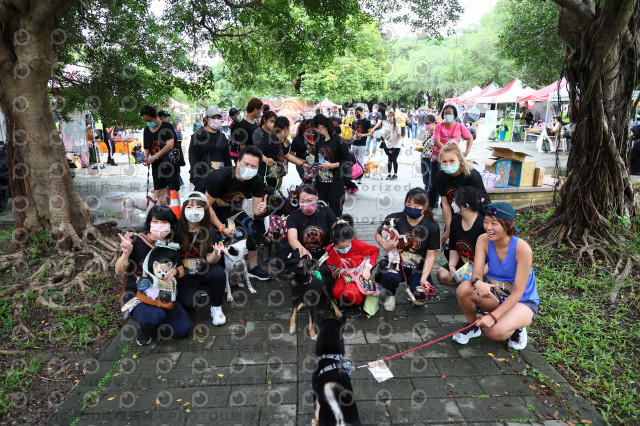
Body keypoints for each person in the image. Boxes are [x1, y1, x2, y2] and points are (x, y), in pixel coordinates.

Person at [452, 202, 539, 351]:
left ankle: (518, 326)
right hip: (498, 295)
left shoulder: (522, 249)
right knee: (463, 289)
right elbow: (477, 272)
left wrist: (493, 317)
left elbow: (518, 292)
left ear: (510, 225)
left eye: (494, 223)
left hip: (523, 301)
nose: (488, 227)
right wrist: (478, 282)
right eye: (486, 222)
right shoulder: (483, 239)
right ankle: (472, 326)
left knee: (494, 332)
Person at [115, 205, 191, 346]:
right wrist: (126, 253)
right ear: (149, 223)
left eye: (164, 222)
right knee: (155, 317)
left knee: (183, 330)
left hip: (163, 293)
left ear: (171, 225)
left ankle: (158, 318)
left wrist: (175, 271)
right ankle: (144, 329)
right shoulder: (136, 241)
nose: (159, 225)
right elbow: (119, 271)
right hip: (137, 294)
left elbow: (181, 270)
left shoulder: (171, 246)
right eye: (155, 222)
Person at [204, 145, 270, 280]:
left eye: (253, 166)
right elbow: (206, 206)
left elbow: (256, 211)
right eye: (246, 164)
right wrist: (221, 228)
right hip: (208, 208)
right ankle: (216, 270)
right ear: (238, 162)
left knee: (252, 229)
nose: (249, 168)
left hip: (231, 207)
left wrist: (262, 210)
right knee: (215, 235)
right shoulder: (219, 178)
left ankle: (253, 267)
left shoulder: (257, 181)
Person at [375, 188, 439, 310]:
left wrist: (424, 278)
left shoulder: (432, 226)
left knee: (421, 295)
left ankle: (414, 287)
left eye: (416, 206)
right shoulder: (394, 219)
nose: (411, 208)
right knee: (389, 277)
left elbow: (431, 255)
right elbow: (378, 234)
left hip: (417, 267)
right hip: (395, 262)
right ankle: (391, 293)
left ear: (425, 207)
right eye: (408, 204)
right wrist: (384, 245)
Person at [176, 192, 228, 325]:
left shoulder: (209, 230)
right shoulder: (176, 229)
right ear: (183, 209)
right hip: (184, 273)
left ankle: (216, 307)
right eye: (189, 207)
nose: (194, 211)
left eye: (199, 207)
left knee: (218, 273)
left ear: (205, 210)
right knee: (189, 305)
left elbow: (211, 260)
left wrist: (216, 253)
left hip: (203, 269)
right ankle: (198, 290)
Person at [436, 142, 491, 246]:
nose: (448, 164)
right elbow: (445, 203)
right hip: (455, 214)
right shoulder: (440, 176)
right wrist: (449, 229)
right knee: (449, 245)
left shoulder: (472, 175)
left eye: (452, 160)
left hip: (476, 214)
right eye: (444, 161)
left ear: (460, 159)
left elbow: (478, 204)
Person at [325, 215, 379, 318]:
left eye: (348, 244)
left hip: (358, 276)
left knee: (350, 291)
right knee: (336, 292)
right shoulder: (329, 250)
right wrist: (333, 272)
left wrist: (368, 268)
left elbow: (374, 251)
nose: (345, 248)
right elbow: (330, 266)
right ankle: (344, 302)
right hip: (343, 276)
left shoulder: (357, 244)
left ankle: (357, 305)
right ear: (333, 242)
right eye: (341, 247)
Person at [436, 186, 487, 286]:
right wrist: (452, 265)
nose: (453, 203)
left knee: (469, 285)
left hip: (482, 268)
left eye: (456, 201)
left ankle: (469, 287)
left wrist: (477, 275)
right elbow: (453, 246)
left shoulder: (483, 225)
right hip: (465, 265)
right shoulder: (455, 220)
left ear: (465, 205)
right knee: (442, 275)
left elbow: (491, 259)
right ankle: (466, 286)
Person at [430, 104, 474, 209]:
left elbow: (470, 137)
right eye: (445, 113)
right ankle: (431, 204)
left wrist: (466, 152)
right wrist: (449, 152)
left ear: (454, 115)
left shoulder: (460, 127)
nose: (447, 115)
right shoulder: (438, 126)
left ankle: (446, 205)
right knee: (434, 184)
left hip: (453, 161)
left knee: (450, 184)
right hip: (438, 159)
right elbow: (437, 142)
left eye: (450, 113)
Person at [312, 114, 351, 216]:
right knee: (320, 212)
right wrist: (312, 168)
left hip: (336, 183)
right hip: (321, 182)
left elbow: (347, 161)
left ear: (320, 127)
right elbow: (317, 160)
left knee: (335, 213)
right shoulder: (319, 142)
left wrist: (331, 165)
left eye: (315, 129)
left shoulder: (339, 140)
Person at [284, 184, 337, 259]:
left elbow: (336, 229)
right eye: (303, 201)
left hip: (326, 254)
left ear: (316, 197)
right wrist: (303, 251)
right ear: (298, 201)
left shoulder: (326, 211)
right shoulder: (293, 217)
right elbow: (292, 239)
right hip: (304, 254)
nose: (306, 204)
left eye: (309, 200)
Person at [141, 105, 180, 206]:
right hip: (156, 166)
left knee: (173, 192)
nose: (148, 122)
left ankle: (176, 213)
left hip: (170, 164)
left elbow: (170, 145)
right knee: (159, 192)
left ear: (156, 116)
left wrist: (155, 156)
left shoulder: (167, 126)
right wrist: (146, 158)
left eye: (149, 120)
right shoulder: (146, 130)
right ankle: (162, 213)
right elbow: (147, 149)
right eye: (146, 121)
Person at [188, 106, 231, 193]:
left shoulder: (222, 137)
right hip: (203, 178)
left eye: (218, 118)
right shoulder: (198, 136)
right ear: (207, 119)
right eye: (213, 117)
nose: (216, 120)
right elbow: (193, 158)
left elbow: (227, 158)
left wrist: (229, 176)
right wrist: (196, 180)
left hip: (220, 177)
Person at [256, 116, 306, 189]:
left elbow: (287, 155)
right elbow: (256, 150)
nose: (289, 131)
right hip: (265, 176)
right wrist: (265, 159)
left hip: (274, 174)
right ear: (285, 128)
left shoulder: (281, 141)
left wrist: (302, 164)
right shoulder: (269, 138)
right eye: (289, 128)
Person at [351, 106, 372, 182]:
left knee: (361, 160)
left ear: (362, 112)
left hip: (362, 144)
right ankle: (354, 175)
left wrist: (362, 135)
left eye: (358, 113)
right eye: (355, 113)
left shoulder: (367, 121)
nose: (356, 114)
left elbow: (370, 133)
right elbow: (353, 131)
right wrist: (351, 136)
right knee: (353, 160)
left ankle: (360, 177)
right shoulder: (354, 121)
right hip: (353, 143)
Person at [383, 109, 402, 180]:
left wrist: (392, 143)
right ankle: (389, 174)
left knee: (394, 159)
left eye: (390, 116)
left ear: (393, 116)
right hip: (389, 143)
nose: (389, 117)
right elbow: (385, 134)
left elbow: (399, 137)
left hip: (396, 144)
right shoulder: (386, 125)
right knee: (389, 158)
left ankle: (395, 174)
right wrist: (384, 136)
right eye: (388, 116)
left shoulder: (397, 125)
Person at [419, 114, 437, 190]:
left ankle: (433, 193)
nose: (426, 125)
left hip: (433, 158)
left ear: (434, 122)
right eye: (425, 123)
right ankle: (427, 190)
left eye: (428, 123)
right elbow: (423, 143)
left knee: (433, 177)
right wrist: (420, 148)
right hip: (424, 156)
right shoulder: (426, 132)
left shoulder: (437, 133)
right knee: (425, 175)